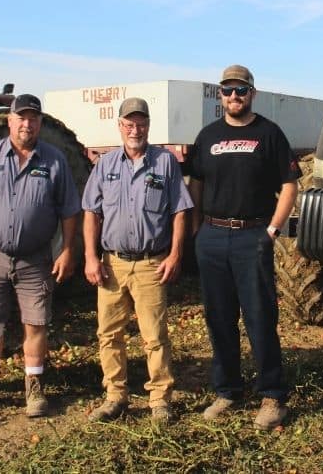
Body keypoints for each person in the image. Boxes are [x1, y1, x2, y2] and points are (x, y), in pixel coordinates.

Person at [184, 65, 299, 430]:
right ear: (220, 95)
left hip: (253, 236)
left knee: (260, 317)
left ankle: (272, 395)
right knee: (219, 319)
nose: (234, 96)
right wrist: (197, 228)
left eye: (241, 90)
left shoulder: (269, 133)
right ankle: (228, 391)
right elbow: (196, 183)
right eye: (227, 90)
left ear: (253, 93)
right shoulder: (208, 136)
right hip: (213, 237)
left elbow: (290, 186)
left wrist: (271, 231)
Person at [0, 93, 81, 418]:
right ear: (9, 121)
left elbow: (69, 211)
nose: (27, 124)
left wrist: (67, 250)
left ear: (39, 122)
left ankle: (34, 386)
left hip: (35, 258)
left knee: (36, 323)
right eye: (21, 118)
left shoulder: (54, 161)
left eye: (33, 118)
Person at [82, 97, 193, 424]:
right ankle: (115, 396)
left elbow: (180, 212)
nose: (135, 129)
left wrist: (175, 254)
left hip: (150, 264)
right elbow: (91, 212)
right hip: (112, 265)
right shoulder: (105, 165)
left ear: (148, 125)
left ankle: (159, 399)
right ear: (119, 126)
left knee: (154, 336)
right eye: (129, 124)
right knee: (109, 334)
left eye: (140, 124)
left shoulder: (165, 163)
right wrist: (90, 257)